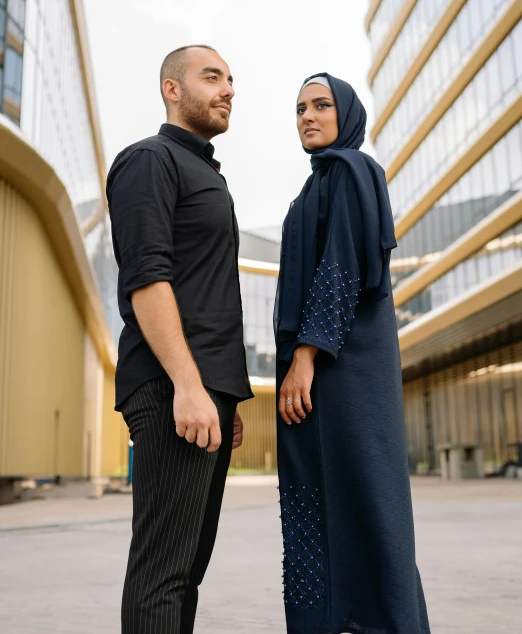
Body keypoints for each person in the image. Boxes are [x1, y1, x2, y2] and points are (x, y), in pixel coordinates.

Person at [274, 73, 430, 634]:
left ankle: (379, 622)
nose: (308, 117)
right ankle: (328, 622)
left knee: (365, 497)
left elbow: (341, 269)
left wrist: (306, 357)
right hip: (316, 372)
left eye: (321, 106)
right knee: (315, 499)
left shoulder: (352, 171)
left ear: (347, 114)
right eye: (299, 109)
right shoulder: (312, 188)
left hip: (345, 369)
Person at [106, 45, 253, 634]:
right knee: (162, 572)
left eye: (230, 81)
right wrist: (189, 387)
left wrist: (225, 395)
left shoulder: (205, 172)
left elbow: (209, 293)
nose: (227, 90)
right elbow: (147, 279)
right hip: (170, 388)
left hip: (201, 392)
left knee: (186, 571)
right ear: (172, 89)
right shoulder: (149, 159)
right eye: (211, 77)